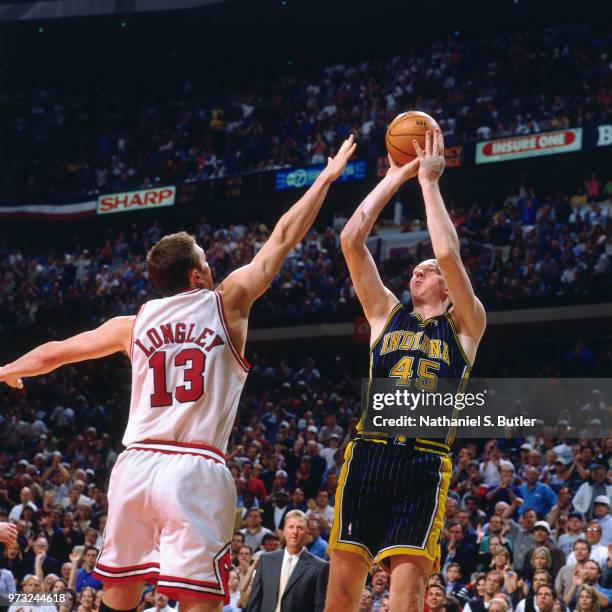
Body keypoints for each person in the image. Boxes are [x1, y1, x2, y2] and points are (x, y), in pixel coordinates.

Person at [0, 137, 356, 612]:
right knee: (198, 600)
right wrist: (325, 180)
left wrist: (6, 369)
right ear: (195, 276)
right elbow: (283, 238)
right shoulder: (227, 302)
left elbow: (59, 352)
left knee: (119, 593)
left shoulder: (132, 323)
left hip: (135, 465)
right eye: (207, 260)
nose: (213, 265)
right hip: (194, 465)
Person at [327, 129, 486, 612]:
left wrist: (429, 183)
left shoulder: (467, 326)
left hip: (423, 461)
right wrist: (394, 177)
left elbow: (449, 255)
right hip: (370, 454)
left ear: (447, 285)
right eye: (415, 268)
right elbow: (351, 239)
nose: (419, 271)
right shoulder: (385, 313)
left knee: (408, 596)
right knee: (341, 593)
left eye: (428, 269)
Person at [245, 510, 329, 612]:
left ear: (307, 532)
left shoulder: (319, 567)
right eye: (291, 527)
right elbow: (255, 601)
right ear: (284, 530)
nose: (295, 532)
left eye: (300, 528)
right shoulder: (266, 560)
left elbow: (319, 607)